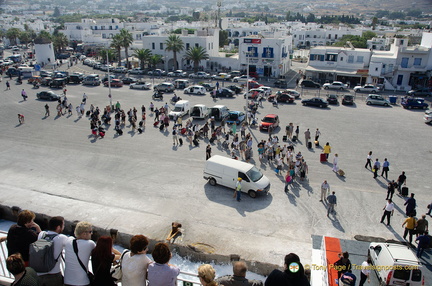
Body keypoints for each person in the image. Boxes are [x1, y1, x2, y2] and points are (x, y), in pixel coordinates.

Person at [37, 216, 68, 286]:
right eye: (63, 225)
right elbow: (73, 244)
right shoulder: (61, 238)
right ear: (58, 227)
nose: (63, 227)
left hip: (39, 273)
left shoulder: (42, 234)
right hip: (53, 274)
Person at [63, 221, 96, 286]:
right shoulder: (90, 244)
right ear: (84, 234)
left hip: (67, 281)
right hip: (82, 282)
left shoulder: (69, 241)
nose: (91, 233)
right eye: (90, 232)